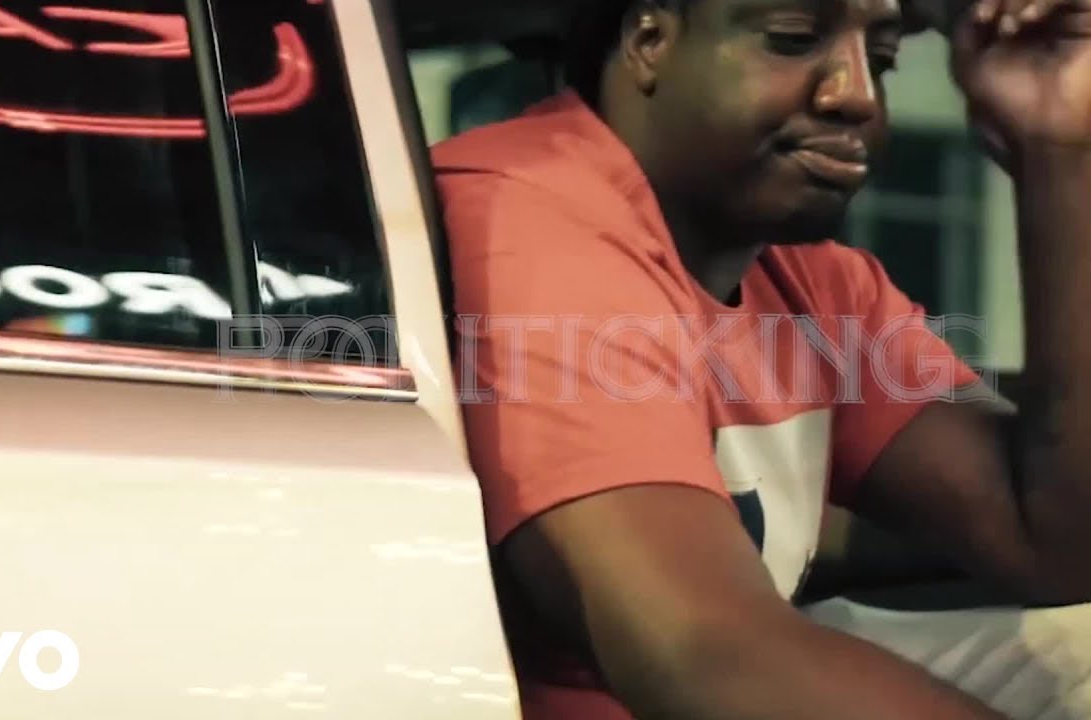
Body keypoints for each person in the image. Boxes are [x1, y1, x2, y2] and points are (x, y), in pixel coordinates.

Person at [431, 0, 1091, 717]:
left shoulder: (812, 281)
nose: (858, 96)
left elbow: (1054, 543)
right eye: (792, 40)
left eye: (882, 60)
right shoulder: (533, 225)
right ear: (650, 40)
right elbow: (707, 659)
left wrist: (1059, 146)